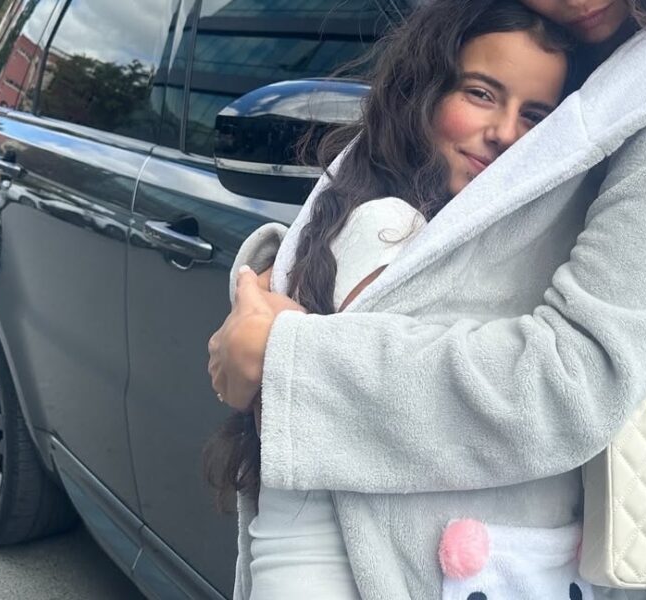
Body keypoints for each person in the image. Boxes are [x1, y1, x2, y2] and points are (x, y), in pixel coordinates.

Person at [209, 1, 646, 598]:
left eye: (533, 116)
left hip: (480, 552)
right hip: (364, 532)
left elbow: (575, 377)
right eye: (480, 94)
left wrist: (288, 358)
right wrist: (274, 295)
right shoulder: (508, 43)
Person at [205, 1, 573, 598]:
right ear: (423, 92)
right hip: (331, 566)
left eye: (534, 115)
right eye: (481, 94)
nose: (506, 132)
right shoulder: (388, 227)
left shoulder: (368, 208)